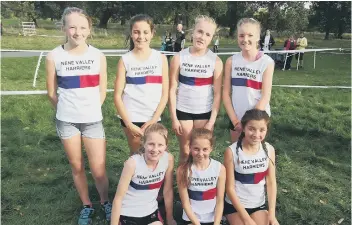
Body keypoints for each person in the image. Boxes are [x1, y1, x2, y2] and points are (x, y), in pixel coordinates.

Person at [46, 7, 111, 225]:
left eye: (82, 27)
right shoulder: (54, 56)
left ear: (89, 30)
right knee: (77, 166)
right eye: (72, 26)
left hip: (93, 120)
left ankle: (105, 202)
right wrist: (67, 110)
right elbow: (52, 93)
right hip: (67, 122)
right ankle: (87, 205)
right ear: (64, 28)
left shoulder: (98, 56)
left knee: (99, 169)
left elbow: (102, 90)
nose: (77, 32)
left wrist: (90, 109)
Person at [169, 15, 223, 163]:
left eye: (207, 34)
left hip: (204, 113)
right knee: (185, 152)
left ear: (212, 38)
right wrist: (174, 118)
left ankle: (199, 184)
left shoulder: (216, 61)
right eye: (199, 32)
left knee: (201, 153)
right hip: (183, 111)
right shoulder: (179, 58)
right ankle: (182, 184)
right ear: (192, 32)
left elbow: (218, 94)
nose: (202, 37)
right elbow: (172, 89)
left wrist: (211, 122)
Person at [114, 14, 169, 155]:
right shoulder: (125, 60)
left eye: (145, 32)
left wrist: (154, 119)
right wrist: (129, 124)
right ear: (131, 33)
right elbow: (117, 96)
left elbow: (165, 93)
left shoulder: (160, 58)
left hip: (154, 117)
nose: (141, 36)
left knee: (154, 154)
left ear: (152, 34)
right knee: (137, 156)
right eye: (136, 32)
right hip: (131, 118)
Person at [110, 123, 177, 225]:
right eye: (151, 144)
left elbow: (167, 191)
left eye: (160, 145)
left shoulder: (168, 159)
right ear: (144, 143)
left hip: (150, 212)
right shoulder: (132, 163)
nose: (155, 149)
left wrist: (170, 218)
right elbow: (118, 198)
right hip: (129, 212)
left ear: (166, 146)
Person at [223, 109, 279, 225]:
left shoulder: (269, 150)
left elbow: (271, 182)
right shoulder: (231, 151)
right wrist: (247, 219)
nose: (256, 134)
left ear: (266, 130)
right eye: (251, 129)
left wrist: (272, 215)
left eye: (262, 130)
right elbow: (230, 188)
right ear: (243, 128)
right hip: (235, 206)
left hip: (258, 205)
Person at [222, 18, 274, 143]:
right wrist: (235, 121)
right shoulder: (231, 61)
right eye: (241, 35)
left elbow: (265, 96)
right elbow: (226, 94)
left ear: (257, 37)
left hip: (258, 118)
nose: (245, 39)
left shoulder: (267, 62)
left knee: (254, 156)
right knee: (237, 153)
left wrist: (249, 122)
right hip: (236, 118)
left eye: (250, 35)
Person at [177, 128, 226, 225]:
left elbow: (220, 200)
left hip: (213, 219)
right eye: (196, 149)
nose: (200, 153)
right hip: (191, 220)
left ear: (211, 148)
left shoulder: (219, 168)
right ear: (190, 147)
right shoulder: (183, 170)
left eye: (205, 149)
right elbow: (185, 203)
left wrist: (216, 223)